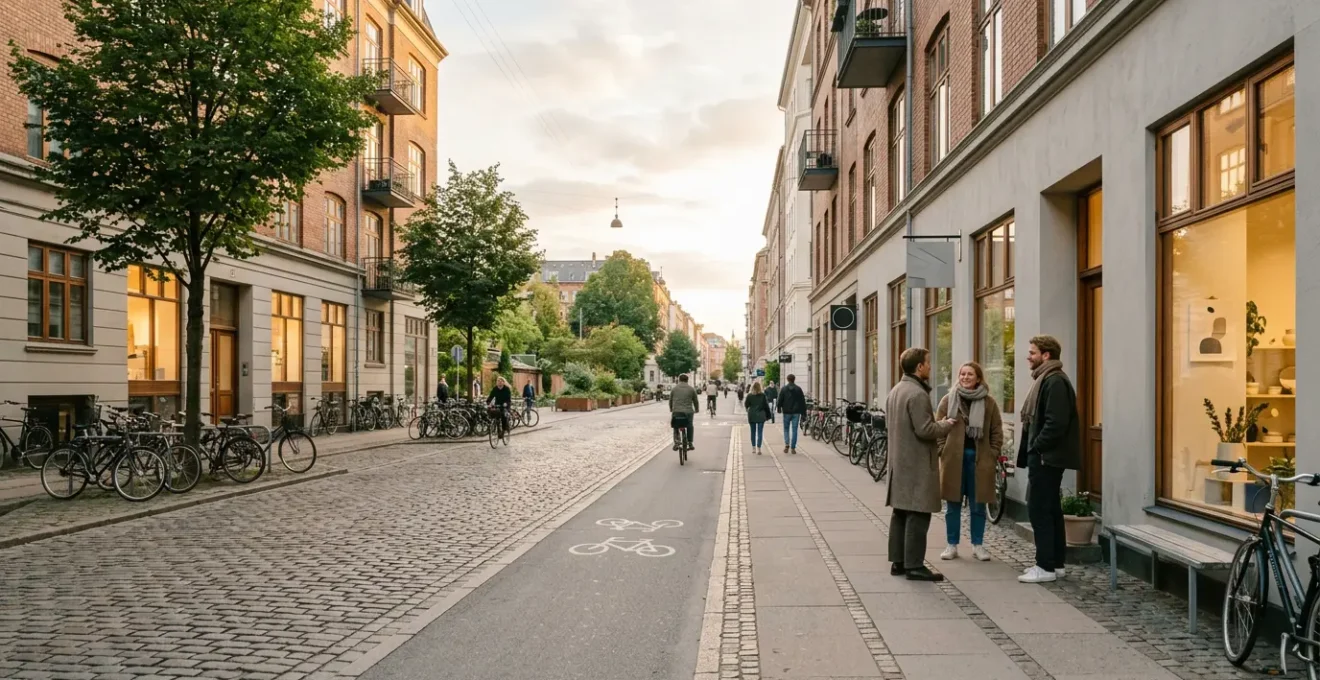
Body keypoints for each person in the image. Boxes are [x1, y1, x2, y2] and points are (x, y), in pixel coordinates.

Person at [886, 347, 957, 582]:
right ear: (919, 367)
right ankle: (914, 565)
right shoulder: (917, 394)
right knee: (918, 514)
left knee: (901, 512)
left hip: (900, 461)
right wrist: (947, 424)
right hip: (915, 463)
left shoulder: (897, 390)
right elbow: (925, 429)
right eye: (928, 363)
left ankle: (899, 562)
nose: (930, 366)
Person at [1016, 335, 1081, 584]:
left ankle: (1045, 566)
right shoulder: (1049, 379)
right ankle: (1056, 563)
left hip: (1046, 458)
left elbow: (1056, 423)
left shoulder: (1054, 382)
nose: (1028, 357)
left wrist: (1036, 447)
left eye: (1032, 352)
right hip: (1047, 457)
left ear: (1046, 355)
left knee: (1040, 510)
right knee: (1051, 510)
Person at [936, 362, 1004, 563]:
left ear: (978, 378)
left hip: (979, 460)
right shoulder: (948, 401)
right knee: (953, 505)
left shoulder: (989, 403)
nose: (965, 377)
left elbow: (996, 432)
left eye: (970, 374)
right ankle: (952, 545)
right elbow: (938, 427)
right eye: (962, 374)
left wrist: (992, 454)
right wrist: (942, 450)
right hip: (953, 459)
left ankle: (978, 545)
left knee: (978, 505)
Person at [776, 374, 807, 454]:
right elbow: (802, 402)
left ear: (787, 379)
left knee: (786, 429)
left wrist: (779, 408)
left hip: (786, 412)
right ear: (794, 379)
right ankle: (793, 447)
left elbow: (780, 399)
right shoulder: (798, 389)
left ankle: (787, 444)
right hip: (796, 412)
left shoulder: (784, 389)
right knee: (794, 430)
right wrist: (804, 413)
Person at [669, 374, 700, 451]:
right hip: (688, 412)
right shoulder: (691, 389)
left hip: (676, 411)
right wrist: (696, 409)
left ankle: (676, 441)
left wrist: (671, 409)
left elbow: (670, 400)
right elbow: (695, 401)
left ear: (679, 380)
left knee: (676, 426)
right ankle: (690, 442)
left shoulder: (674, 389)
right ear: (687, 380)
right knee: (689, 425)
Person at [744, 381, 769, 454]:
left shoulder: (749, 395)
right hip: (761, 415)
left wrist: (748, 409)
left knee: (753, 432)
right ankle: (759, 448)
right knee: (760, 432)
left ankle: (753, 448)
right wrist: (768, 415)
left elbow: (746, 405)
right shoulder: (763, 395)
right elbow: (766, 406)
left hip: (752, 415)